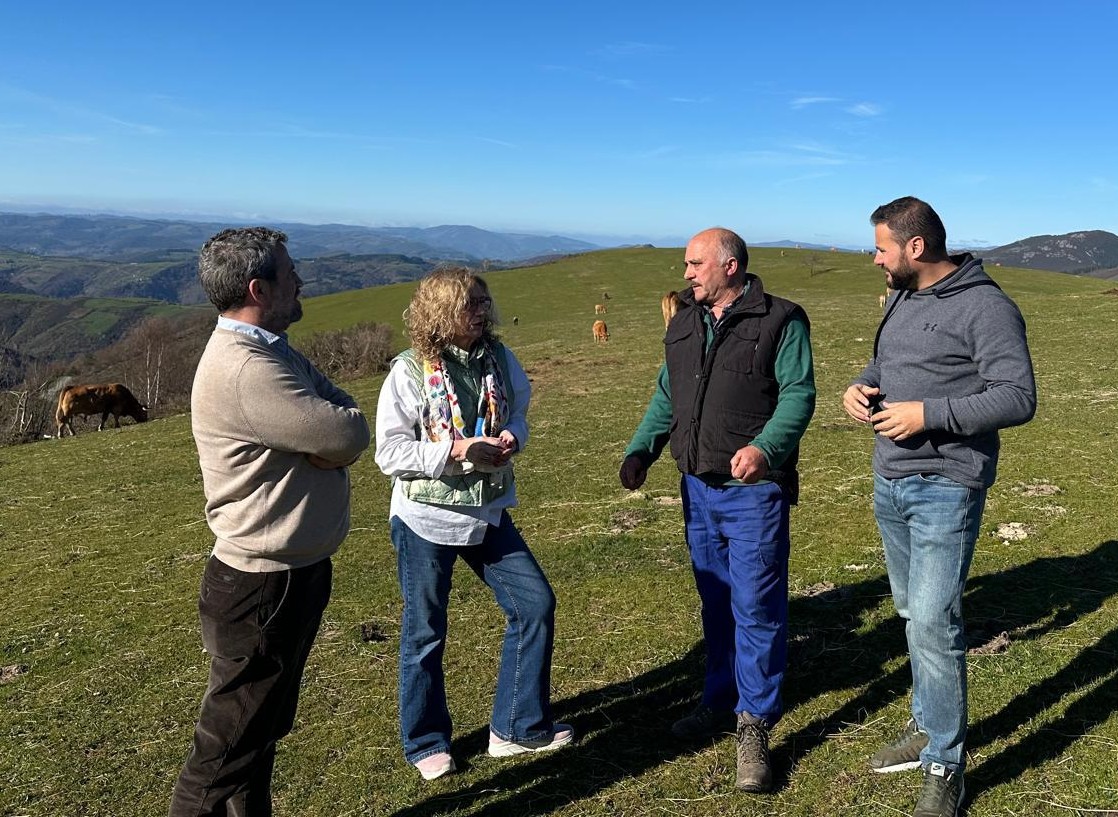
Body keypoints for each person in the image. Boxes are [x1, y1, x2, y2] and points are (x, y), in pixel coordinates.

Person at [842, 197, 1036, 817]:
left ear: (915, 247)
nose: (875, 258)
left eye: (881, 248)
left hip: (946, 483)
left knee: (932, 621)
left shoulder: (986, 306)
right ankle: (929, 724)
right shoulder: (903, 297)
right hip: (889, 479)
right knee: (910, 612)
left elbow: (1017, 396)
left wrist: (930, 415)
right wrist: (861, 384)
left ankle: (945, 764)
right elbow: (891, 362)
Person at [170, 227, 370, 817]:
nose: (301, 280)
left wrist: (320, 439)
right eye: (290, 273)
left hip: (286, 575)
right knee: (222, 755)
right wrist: (324, 439)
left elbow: (338, 408)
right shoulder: (248, 368)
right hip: (263, 587)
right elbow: (348, 431)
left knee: (254, 737)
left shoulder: (270, 349)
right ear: (260, 288)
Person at [620, 227, 815, 793]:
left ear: (729, 266)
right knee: (717, 599)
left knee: (755, 604)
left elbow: (799, 393)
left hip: (753, 491)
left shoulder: (781, 320)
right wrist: (641, 449)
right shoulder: (682, 322)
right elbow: (667, 395)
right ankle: (719, 698)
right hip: (697, 489)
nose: (686, 273)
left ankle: (754, 722)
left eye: (695, 263)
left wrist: (765, 449)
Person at [374, 268, 572, 781]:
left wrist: (511, 439)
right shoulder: (409, 370)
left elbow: (520, 413)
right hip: (425, 517)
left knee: (534, 604)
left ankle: (516, 728)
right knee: (425, 633)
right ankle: (424, 742)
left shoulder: (500, 359)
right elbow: (390, 452)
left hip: (486, 512)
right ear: (440, 313)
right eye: (471, 304)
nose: (483, 312)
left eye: (485, 302)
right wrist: (457, 449)